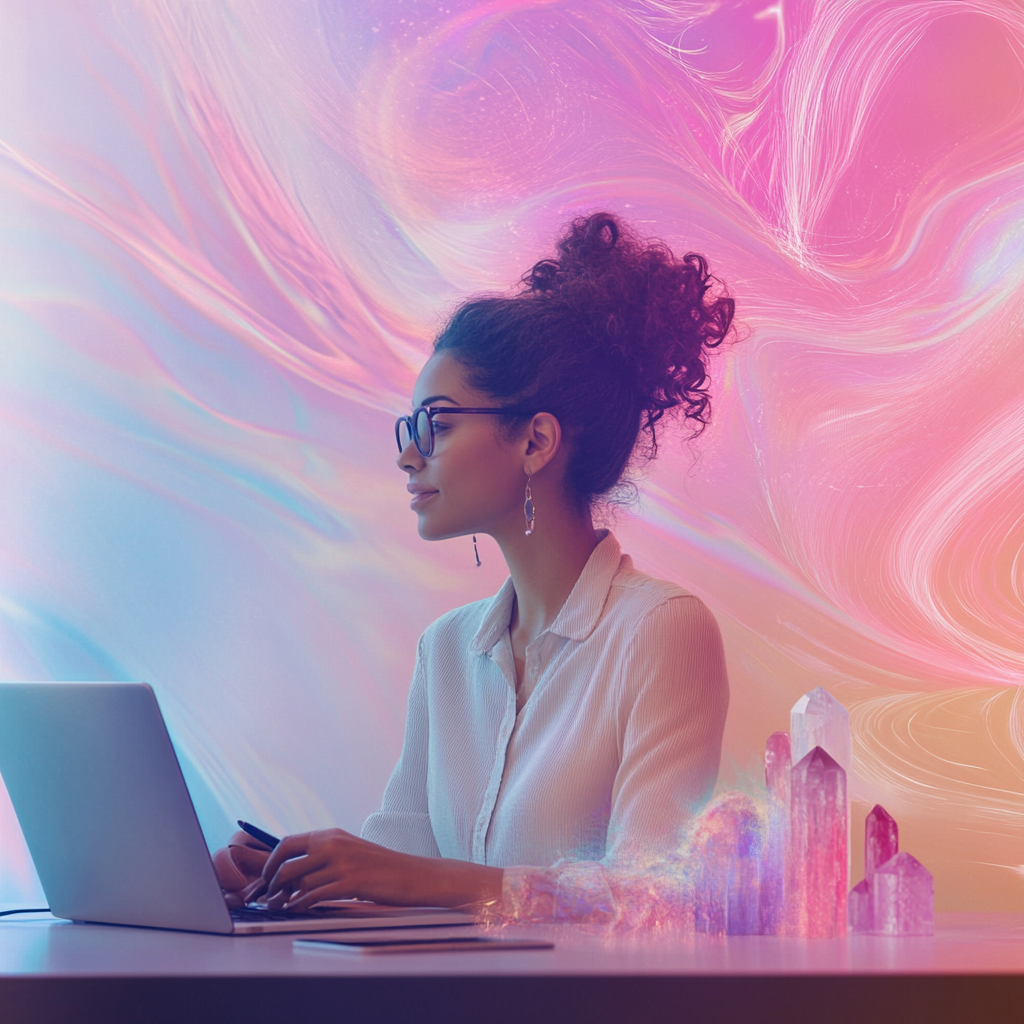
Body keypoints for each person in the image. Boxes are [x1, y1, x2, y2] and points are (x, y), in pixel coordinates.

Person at [214, 212, 735, 921]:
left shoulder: (661, 630)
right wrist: (285, 877)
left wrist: (417, 879)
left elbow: (653, 898)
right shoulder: (448, 651)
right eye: (411, 430)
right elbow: (394, 870)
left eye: (438, 424)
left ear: (536, 440)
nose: (408, 455)